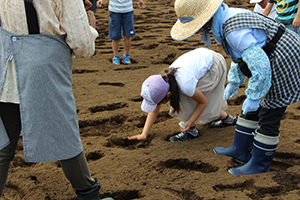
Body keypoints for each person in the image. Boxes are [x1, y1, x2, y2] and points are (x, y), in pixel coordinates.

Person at [170, 0, 300, 175]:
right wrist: (234, 80)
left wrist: (254, 97)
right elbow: (240, 56)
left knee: (269, 111)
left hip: (284, 59)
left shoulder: (233, 29)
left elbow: (260, 66)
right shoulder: (224, 18)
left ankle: (260, 164)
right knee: (254, 104)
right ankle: (240, 148)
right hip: (268, 58)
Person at [0, 1, 113, 199]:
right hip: (44, 69)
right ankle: (89, 194)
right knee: (64, 136)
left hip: (4, 66)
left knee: (3, 146)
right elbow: (83, 46)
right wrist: (91, 29)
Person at [128, 48, 236, 142]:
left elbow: (203, 102)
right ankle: (227, 119)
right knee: (191, 97)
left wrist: (190, 121)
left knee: (186, 100)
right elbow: (155, 108)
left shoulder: (184, 85)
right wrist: (144, 134)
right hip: (204, 59)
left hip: (214, 65)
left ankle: (190, 131)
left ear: (168, 94)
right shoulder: (164, 81)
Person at [98, 0, 146, 65]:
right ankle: (115, 56)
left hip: (128, 10)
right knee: (115, 36)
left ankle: (126, 55)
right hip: (114, 10)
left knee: (128, 35)